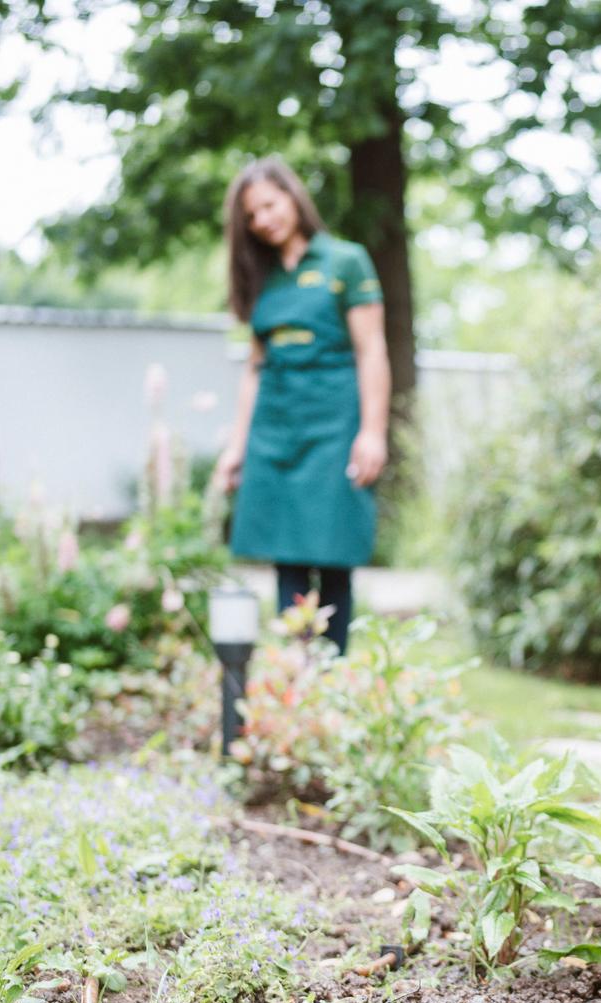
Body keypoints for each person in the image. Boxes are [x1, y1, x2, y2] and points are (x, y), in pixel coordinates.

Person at [212, 156, 391, 651]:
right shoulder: (259, 275)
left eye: (268, 205)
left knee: (333, 555)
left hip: (335, 425)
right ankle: (299, 672)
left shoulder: (346, 261)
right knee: (285, 557)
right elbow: (254, 367)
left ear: (293, 197)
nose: (263, 220)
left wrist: (372, 431)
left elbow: (371, 350)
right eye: (252, 215)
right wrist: (237, 446)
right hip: (274, 429)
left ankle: (331, 676)